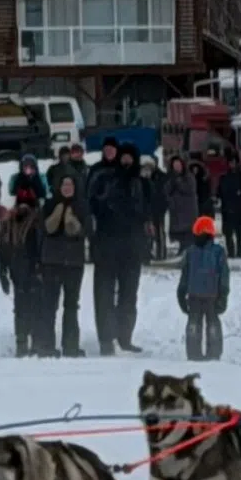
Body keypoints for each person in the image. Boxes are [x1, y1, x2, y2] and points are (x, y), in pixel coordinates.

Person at [89, 146, 148, 354]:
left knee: (129, 295)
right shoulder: (105, 179)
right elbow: (93, 205)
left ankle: (125, 337)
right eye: (123, 158)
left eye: (130, 158)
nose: (126, 162)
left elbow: (152, 208)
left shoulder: (141, 183)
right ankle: (106, 339)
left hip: (132, 248)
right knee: (104, 294)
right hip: (107, 245)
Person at [0, 180, 50, 356]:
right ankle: (22, 342)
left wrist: (40, 266)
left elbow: (42, 245)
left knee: (35, 305)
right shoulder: (10, 222)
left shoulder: (38, 220)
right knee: (21, 306)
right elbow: (4, 247)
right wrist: (2, 269)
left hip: (33, 267)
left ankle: (36, 341)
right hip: (17, 268)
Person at [40, 174, 89, 356]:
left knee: (71, 305)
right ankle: (46, 345)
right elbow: (43, 229)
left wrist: (74, 224)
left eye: (70, 184)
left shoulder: (82, 206)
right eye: (64, 184)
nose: (67, 188)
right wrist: (56, 216)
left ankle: (70, 345)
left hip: (74, 262)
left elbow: (87, 230)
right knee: (49, 305)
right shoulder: (49, 205)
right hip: (51, 261)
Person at [177, 216, 230, 362]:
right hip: (213, 295)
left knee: (193, 324)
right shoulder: (218, 252)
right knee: (213, 324)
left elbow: (185, 275)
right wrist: (223, 295)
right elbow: (224, 275)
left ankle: (193, 353)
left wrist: (181, 294)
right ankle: (214, 353)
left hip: (194, 295)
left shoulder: (190, 252)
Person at [163, 153, 200, 255]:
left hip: (188, 211)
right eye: (175, 165)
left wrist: (178, 182)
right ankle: (183, 251)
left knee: (188, 235)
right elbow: (166, 191)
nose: (177, 167)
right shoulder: (170, 178)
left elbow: (189, 189)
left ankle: (187, 252)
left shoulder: (189, 177)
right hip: (176, 211)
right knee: (180, 236)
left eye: (178, 165)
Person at [215, 146, 241, 257]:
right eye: (230, 162)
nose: (232, 164)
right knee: (228, 233)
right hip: (227, 209)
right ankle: (231, 252)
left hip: (239, 209)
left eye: (234, 162)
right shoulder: (224, 177)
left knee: (239, 233)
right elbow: (219, 192)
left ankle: (239, 252)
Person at [138, 155, 167, 262]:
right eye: (145, 167)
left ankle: (161, 253)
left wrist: (163, 206)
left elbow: (164, 193)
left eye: (149, 167)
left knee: (158, 232)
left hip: (157, 208)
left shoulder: (160, 177)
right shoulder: (140, 180)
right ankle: (146, 252)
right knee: (145, 233)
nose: (147, 170)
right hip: (145, 210)